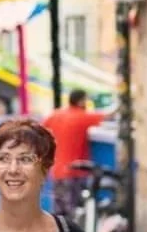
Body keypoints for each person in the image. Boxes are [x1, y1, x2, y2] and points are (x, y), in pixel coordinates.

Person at [43, 88, 114, 217]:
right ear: (81, 101)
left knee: (59, 213)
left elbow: (41, 130)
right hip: (75, 172)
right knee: (74, 213)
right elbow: (109, 116)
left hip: (57, 171)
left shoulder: (55, 115)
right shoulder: (82, 116)